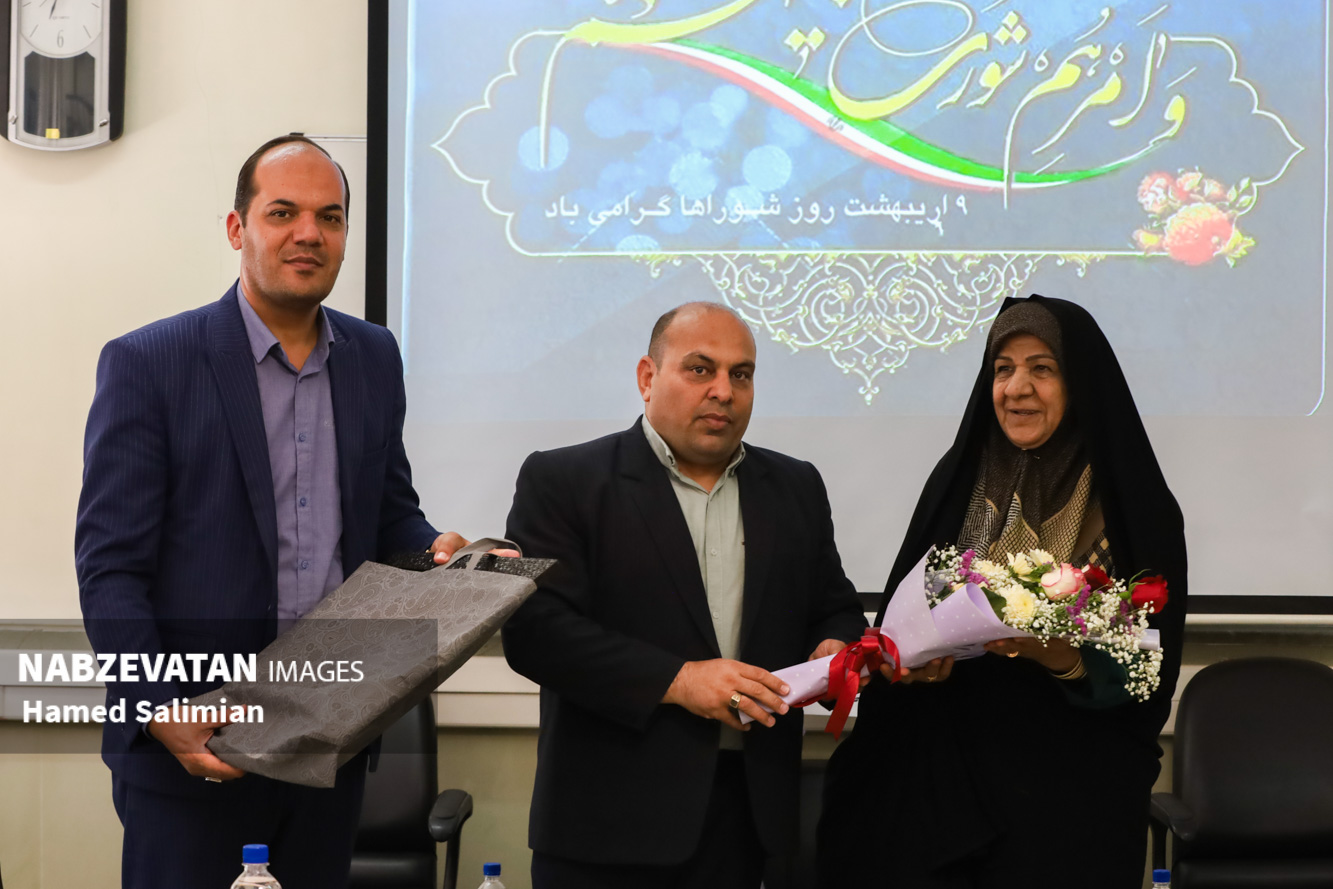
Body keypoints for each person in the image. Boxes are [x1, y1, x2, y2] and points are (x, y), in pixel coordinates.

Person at [75, 135, 481, 889]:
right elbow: (110, 569)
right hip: (196, 745)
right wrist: (158, 707)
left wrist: (439, 554)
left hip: (327, 740)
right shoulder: (149, 363)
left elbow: (390, 515)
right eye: (283, 212)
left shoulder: (374, 356)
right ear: (238, 228)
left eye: (330, 217)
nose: (309, 234)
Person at [818, 295, 1188, 889]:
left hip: (1066, 800)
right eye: (1003, 369)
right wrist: (914, 663)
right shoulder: (958, 480)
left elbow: (1145, 672)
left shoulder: (1133, 504)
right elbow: (905, 616)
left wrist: (1057, 655)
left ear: (1079, 382)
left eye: (1042, 368)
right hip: (940, 788)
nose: (1017, 388)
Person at [501, 301, 867, 889]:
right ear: (647, 377)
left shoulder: (795, 486)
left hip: (747, 821)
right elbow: (536, 633)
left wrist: (833, 647)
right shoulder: (565, 480)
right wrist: (679, 680)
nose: (723, 391)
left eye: (741, 374)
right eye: (700, 369)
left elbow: (835, 607)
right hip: (607, 828)